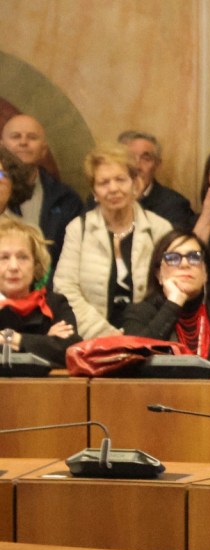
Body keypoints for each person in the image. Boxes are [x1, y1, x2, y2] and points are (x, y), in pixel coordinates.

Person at [53, 144, 173, 339]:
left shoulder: (159, 228)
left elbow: (170, 286)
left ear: (135, 184)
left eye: (120, 180)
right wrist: (105, 335)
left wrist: (142, 334)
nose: (113, 189)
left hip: (149, 338)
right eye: (104, 182)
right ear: (94, 191)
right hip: (91, 341)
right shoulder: (79, 228)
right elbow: (64, 288)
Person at [122, 230, 210, 369]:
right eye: (173, 258)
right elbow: (135, 365)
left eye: (194, 257)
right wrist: (173, 304)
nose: (184, 264)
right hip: (162, 391)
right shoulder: (138, 313)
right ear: (159, 273)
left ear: (206, 272)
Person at [1, 114, 84, 270]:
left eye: (32, 137)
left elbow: (74, 260)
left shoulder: (66, 199)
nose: (23, 142)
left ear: (44, 150)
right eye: (15, 137)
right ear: (2, 145)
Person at [0, 216, 80, 365]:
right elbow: (54, 350)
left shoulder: (55, 304)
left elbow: (70, 350)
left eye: (22, 257)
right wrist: (45, 341)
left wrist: (14, 339)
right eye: (3, 258)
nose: (13, 267)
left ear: (35, 265)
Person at [117, 130, 196, 228]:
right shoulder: (103, 199)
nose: (137, 166)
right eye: (130, 157)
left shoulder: (173, 205)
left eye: (146, 159)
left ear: (157, 165)